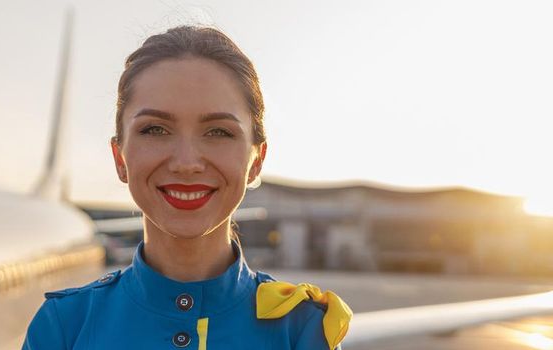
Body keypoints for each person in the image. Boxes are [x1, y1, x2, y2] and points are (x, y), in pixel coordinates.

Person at [21, 25, 351, 349]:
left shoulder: (301, 329)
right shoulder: (64, 326)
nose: (186, 162)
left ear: (257, 161)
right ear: (120, 158)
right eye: (155, 129)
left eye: (219, 132)